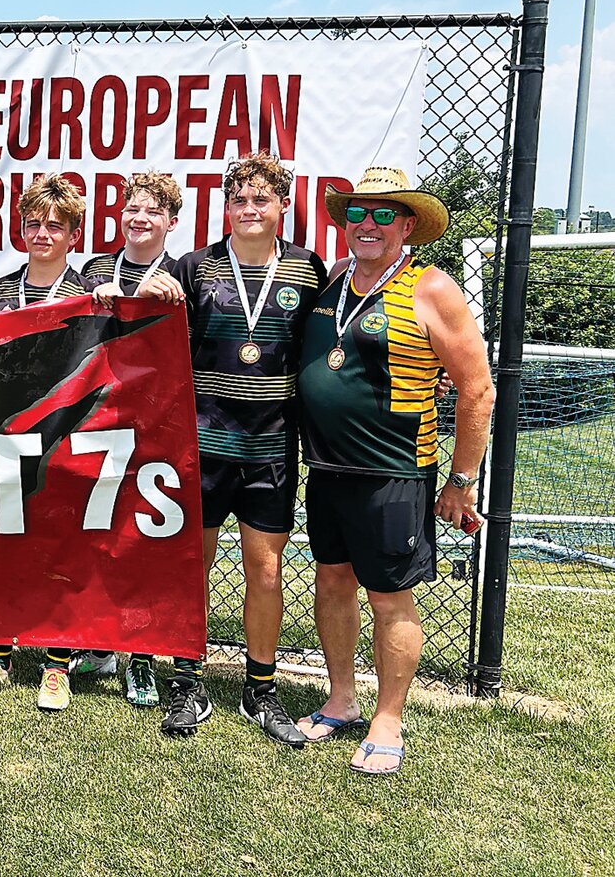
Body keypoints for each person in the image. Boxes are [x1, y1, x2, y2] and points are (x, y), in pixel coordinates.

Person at [295, 168, 493, 775]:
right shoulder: (333, 278)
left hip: (392, 474)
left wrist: (460, 481)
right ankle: (341, 699)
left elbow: (476, 390)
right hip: (326, 468)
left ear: (408, 225)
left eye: (385, 214)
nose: (368, 224)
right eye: (358, 212)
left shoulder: (433, 289)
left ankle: (388, 718)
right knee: (331, 583)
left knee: (390, 598)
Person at [155, 153, 326, 744]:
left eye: (261, 199)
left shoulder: (308, 269)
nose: (249, 209)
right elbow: (154, 312)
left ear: (284, 205)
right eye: (238, 200)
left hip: (271, 447)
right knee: (191, 567)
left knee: (266, 569)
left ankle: (260, 687)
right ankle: (186, 678)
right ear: (225, 208)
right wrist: (151, 283)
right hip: (201, 444)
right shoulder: (196, 266)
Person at [0, 174, 90, 712]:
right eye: (33, 224)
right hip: (4, 439)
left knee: (58, 548)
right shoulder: (0, 292)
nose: (42, 234)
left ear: (73, 235)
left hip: (64, 441)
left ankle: (57, 665)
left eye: (54, 226)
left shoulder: (88, 294)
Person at [77, 170, 185, 708]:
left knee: (143, 536)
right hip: (101, 417)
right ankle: (100, 644)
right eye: (132, 210)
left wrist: (163, 299)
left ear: (172, 220)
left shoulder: (187, 270)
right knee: (96, 528)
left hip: (159, 424)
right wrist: (99, 300)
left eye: (153, 211)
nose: (140, 219)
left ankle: (140, 655)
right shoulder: (96, 267)